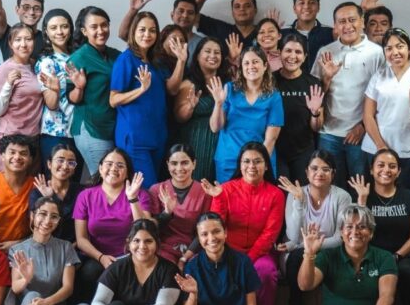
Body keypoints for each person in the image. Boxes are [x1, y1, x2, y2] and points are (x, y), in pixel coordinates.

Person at [205, 142, 285, 305]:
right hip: (227, 250)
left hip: (260, 253)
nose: (251, 166)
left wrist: (248, 260)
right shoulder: (225, 189)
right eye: (246, 161)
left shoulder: (276, 194)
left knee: (266, 271)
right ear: (240, 165)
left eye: (257, 161)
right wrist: (218, 199)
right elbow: (215, 227)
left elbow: (270, 233)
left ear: (266, 166)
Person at [278, 150, 352, 305]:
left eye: (326, 169)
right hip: (300, 251)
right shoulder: (296, 193)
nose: (320, 173)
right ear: (307, 172)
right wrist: (299, 202)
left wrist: (307, 246)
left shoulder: (342, 197)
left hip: (330, 250)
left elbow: (340, 238)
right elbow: (293, 235)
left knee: (302, 252)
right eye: (314, 168)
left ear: (333, 173)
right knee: (296, 258)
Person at [311, 2, 385, 186]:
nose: (347, 26)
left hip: (361, 134)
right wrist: (327, 78)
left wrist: (363, 126)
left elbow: (383, 97)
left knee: (359, 187)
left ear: (362, 22)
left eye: (352, 20)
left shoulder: (376, 53)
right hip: (328, 133)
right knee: (330, 187)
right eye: (342, 21)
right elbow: (315, 95)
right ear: (335, 26)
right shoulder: (326, 52)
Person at [110, 12, 186, 187]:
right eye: (142, 30)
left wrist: (181, 61)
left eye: (152, 30)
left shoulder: (155, 60)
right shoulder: (126, 59)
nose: (147, 34)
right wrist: (141, 90)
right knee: (147, 189)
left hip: (157, 135)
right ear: (133, 32)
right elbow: (113, 99)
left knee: (155, 187)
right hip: (135, 137)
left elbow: (172, 89)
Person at [72, 148, 152, 304]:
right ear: (100, 168)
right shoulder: (85, 195)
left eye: (120, 165)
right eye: (109, 164)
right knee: (89, 272)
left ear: (127, 172)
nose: (114, 168)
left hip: (131, 257)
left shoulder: (140, 195)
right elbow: (81, 239)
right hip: (96, 257)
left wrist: (132, 199)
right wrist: (101, 258)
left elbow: (145, 231)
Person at [349, 149, 410, 305]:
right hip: (369, 255)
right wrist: (362, 201)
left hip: (400, 255)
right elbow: (356, 232)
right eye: (380, 165)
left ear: (399, 171)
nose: (386, 170)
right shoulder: (362, 196)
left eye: (392, 166)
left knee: (407, 272)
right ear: (371, 170)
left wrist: (396, 256)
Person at [362, 27, 410, 190]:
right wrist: (381, 147)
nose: (395, 52)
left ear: (409, 49)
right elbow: (368, 116)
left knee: (408, 196)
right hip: (376, 148)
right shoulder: (378, 76)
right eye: (389, 48)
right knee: (376, 196)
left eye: (400, 46)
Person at [209, 45, 284, 183]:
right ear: (241, 67)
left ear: (265, 66)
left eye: (255, 62)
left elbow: (271, 139)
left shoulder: (274, 96)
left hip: (257, 162)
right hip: (229, 159)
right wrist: (218, 104)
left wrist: (257, 164)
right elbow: (215, 127)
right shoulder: (229, 89)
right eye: (246, 63)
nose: (251, 66)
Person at [67, 6, 122, 178]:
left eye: (104, 25)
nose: (101, 30)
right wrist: (79, 87)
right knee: (105, 179)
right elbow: (72, 98)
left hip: (111, 126)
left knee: (97, 179)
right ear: (84, 31)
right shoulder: (78, 58)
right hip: (91, 129)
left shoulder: (114, 54)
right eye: (94, 27)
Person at [148, 144, 212, 266]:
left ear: (194, 164)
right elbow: (150, 229)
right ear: (168, 165)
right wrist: (166, 213)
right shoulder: (156, 190)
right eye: (174, 163)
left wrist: (185, 257)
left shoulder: (205, 192)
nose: (179, 168)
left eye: (185, 163)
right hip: (162, 249)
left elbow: (205, 230)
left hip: (195, 249)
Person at [173, 36, 226, 183]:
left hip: (222, 141)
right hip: (197, 141)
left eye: (217, 52)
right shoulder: (188, 83)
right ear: (197, 56)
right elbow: (179, 117)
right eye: (207, 51)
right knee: (198, 183)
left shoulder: (227, 83)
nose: (213, 56)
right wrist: (190, 106)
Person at [273, 33, 324, 180]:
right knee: (281, 191)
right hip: (275, 150)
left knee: (302, 191)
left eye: (298, 52)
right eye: (288, 51)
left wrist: (315, 113)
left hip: (303, 151)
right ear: (280, 53)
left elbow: (317, 127)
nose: (292, 56)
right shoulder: (269, 80)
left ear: (305, 56)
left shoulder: (313, 83)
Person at [0, 23, 45, 161]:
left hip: (33, 138)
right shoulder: (3, 70)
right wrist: (8, 84)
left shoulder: (37, 65)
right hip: (10, 139)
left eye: (28, 39)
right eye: (18, 39)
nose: (23, 44)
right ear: (10, 43)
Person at [34, 8, 77, 165]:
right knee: (56, 178)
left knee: (74, 178)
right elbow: (51, 105)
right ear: (46, 32)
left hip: (77, 132)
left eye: (64, 26)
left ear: (71, 29)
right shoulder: (46, 62)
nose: (59, 32)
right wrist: (56, 89)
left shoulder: (77, 58)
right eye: (53, 28)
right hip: (56, 133)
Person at [30, 143, 83, 242]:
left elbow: (86, 229)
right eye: (60, 160)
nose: (65, 166)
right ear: (49, 164)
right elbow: (36, 228)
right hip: (46, 245)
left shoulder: (82, 192)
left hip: (75, 246)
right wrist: (50, 198)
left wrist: (71, 247)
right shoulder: (37, 193)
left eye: (71, 162)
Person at [280, 0, 334, 67]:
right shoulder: (283, 33)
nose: (306, 6)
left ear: (318, 7)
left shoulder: (329, 32)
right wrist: (272, 29)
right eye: (301, 3)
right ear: (294, 8)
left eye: (312, 2)